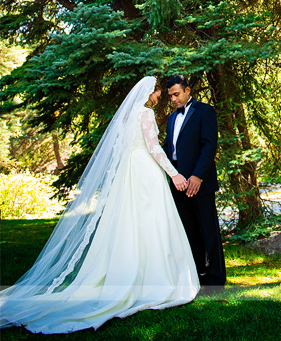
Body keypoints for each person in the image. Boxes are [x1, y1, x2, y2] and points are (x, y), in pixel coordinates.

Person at [0, 77, 199, 334]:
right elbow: (154, 148)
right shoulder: (146, 114)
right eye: (159, 93)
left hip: (129, 173)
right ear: (152, 92)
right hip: (146, 173)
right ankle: (156, 279)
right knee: (152, 221)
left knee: (131, 222)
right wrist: (174, 174)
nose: (160, 98)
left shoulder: (127, 116)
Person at [162, 74, 226, 286]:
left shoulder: (205, 111)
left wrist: (197, 176)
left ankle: (216, 278)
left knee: (209, 230)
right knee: (189, 231)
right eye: (171, 96)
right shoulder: (171, 119)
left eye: (176, 94)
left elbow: (209, 146)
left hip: (200, 182)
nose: (173, 99)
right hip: (178, 184)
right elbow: (167, 150)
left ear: (187, 90)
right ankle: (198, 273)